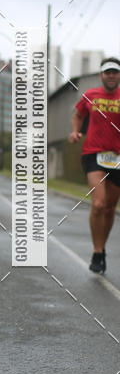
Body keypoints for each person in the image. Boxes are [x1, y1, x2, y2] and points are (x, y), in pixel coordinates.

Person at [69, 57, 120, 273]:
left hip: (117, 157)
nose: (111, 75)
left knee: (109, 208)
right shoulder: (90, 95)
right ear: (101, 75)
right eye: (107, 72)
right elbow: (78, 114)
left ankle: (102, 247)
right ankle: (97, 251)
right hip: (93, 154)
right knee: (98, 203)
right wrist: (75, 131)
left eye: (115, 72)